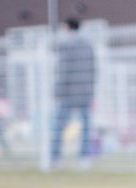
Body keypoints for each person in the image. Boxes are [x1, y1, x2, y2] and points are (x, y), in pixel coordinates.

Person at [51, 18, 96, 169]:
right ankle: (84, 159)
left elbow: (63, 71)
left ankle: (55, 158)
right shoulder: (88, 45)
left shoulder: (66, 45)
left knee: (58, 126)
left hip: (68, 92)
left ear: (67, 28)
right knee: (86, 127)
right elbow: (93, 70)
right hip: (85, 92)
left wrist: (57, 92)